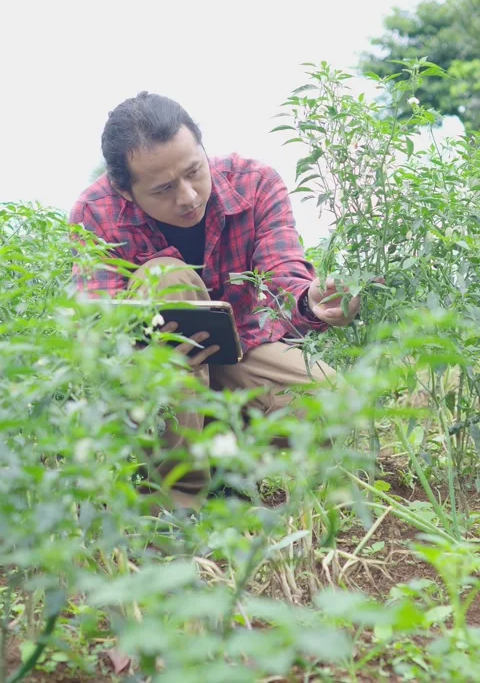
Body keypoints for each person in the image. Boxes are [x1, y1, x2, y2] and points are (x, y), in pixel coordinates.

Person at [70, 92, 361, 507]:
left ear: (203, 148)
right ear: (126, 189)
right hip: (153, 379)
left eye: (194, 171)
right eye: (164, 188)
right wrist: (148, 351)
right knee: (168, 279)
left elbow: (284, 274)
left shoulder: (255, 182)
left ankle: (226, 464)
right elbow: (99, 325)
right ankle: (175, 499)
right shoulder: (95, 211)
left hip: (241, 353)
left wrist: (311, 302)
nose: (187, 196)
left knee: (338, 404)